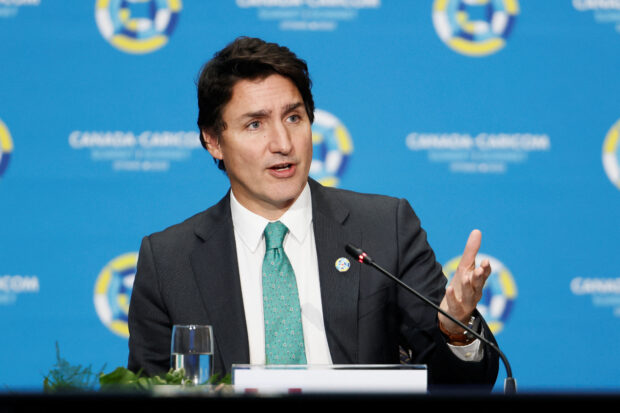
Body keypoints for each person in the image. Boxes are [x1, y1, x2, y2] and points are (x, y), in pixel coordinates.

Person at [127, 36, 499, 390]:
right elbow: (148, 387)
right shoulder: (169, 262)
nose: (283, 143)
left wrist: (456, 325)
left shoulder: (385, 228)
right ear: (213, 140)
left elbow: (466, 384)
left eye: (293, 118)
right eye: (255, 124)